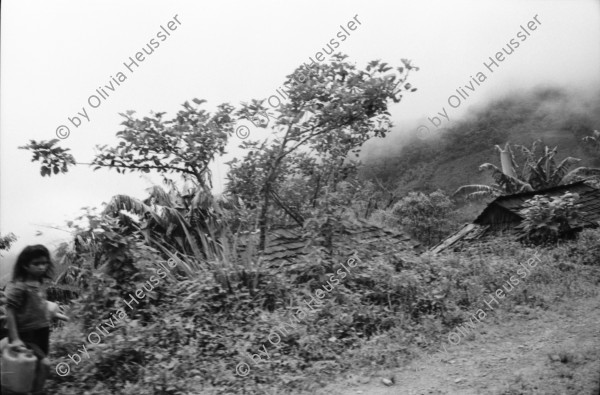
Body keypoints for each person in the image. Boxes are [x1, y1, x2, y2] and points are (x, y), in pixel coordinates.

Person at [3, 245, 64, 394]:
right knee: (45, 364)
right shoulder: (18, 286)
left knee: (34, 366)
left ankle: (27, 389)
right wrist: (16, 338)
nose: (42, 267)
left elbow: (39, 304)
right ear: (25, 265)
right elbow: (9, 310)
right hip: (25, 334)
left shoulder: (39, 283)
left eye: (44, 263)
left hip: (42, 332)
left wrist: (53, 314)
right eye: (36, 264)